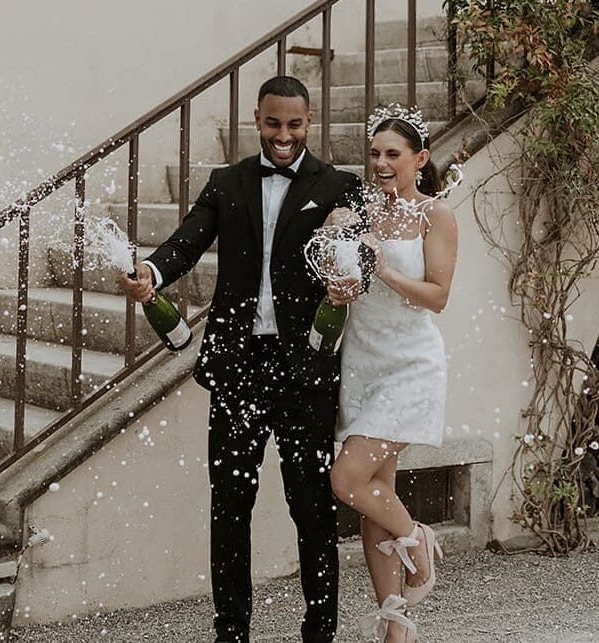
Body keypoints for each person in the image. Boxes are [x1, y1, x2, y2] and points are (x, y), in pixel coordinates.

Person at [120, 75, 362, 643]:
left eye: (295, 124)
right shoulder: (225, 183)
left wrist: (348, 267)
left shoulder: (339, 187)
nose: (284, 135)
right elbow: (184, 243)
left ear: (310, 121)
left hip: (305, 371)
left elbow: (359, 258)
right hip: (238, 369)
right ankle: (231, 631)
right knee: (230, 507)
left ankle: (319, 631)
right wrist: (150, 274)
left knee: (312, 508)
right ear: (257, 118)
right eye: (273, 123)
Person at [323, 104, 458, 643]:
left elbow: (438, 296)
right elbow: (345, 286)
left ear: (420, 160)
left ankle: (418, 537)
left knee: (347, 480)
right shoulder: (358, 210)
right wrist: (337, 262)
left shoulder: (435, 215)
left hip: (410, 366)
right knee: (373, 496)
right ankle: (395, 630)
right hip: (361, 362)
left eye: (393, 154)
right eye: (375, 153)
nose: (381, 163)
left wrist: (383, 268)